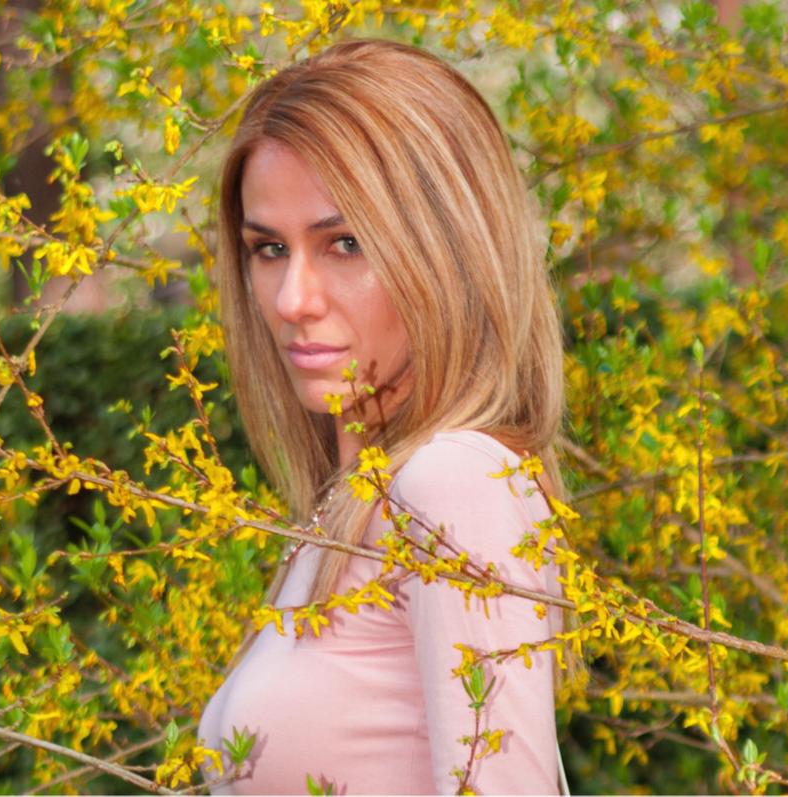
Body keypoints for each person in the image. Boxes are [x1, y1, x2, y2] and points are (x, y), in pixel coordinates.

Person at [197, 38, 567, 795]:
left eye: (346, 243)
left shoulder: (452, 483)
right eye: (269, 249)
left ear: (449, 252)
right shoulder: (353, 501)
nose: (293, 300)